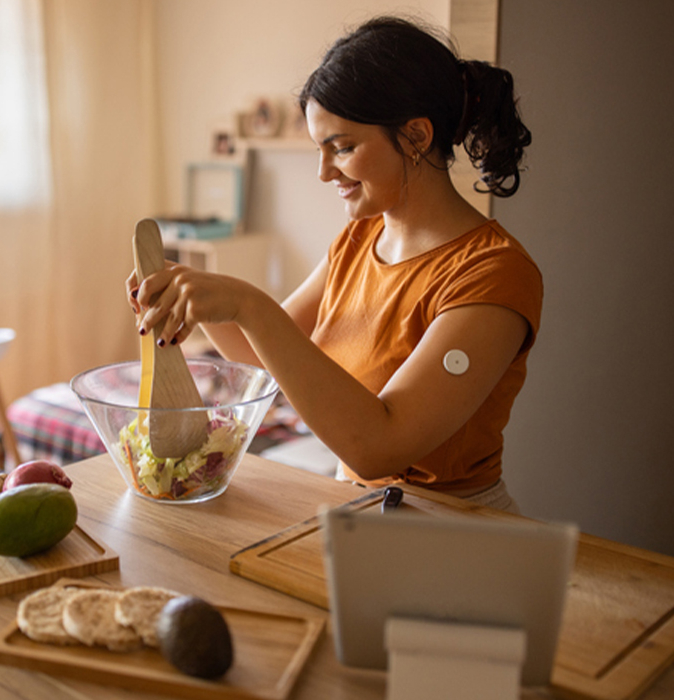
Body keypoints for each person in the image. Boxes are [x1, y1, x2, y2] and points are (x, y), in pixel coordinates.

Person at [127, 16, 539, 513]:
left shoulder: (494, 273)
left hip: (455, 529)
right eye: (319, 150)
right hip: (357, 512)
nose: (324, 173)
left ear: (416, 136)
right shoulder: (359, 240)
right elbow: (266, 362)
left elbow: (379, 446)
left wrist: (248, 303)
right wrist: (199, 299)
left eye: (342, 148)